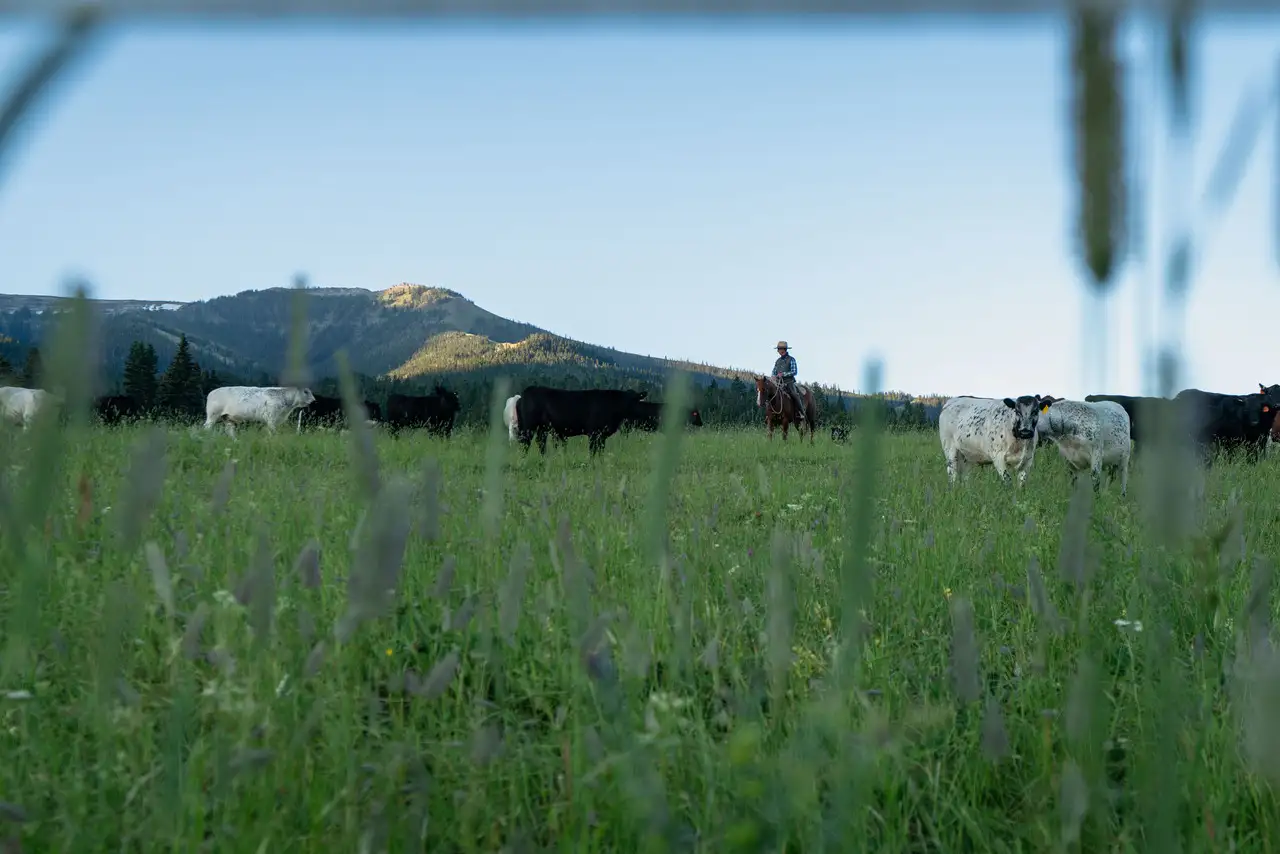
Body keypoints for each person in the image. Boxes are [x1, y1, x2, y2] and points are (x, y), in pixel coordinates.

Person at [772, 341, 806, 417]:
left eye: (780, 349)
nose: (779, 351)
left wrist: (783, 374)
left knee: (794, 395)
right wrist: (773, 376)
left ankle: (801, 412)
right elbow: (774, 371)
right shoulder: (778, 361)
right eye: (778, 349)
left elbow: (794, 372)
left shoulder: (791, 359)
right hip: (778, 383)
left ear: (784, 349)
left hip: (789, 382)